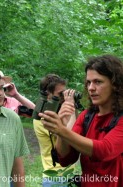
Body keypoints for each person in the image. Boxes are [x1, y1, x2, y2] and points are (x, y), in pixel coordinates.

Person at [39, 54, 123, 187]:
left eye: (98, 82)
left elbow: (105, 150)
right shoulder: (86, 116)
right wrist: (61, 129)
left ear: (115, 84)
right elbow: (66, 158)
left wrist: (62, 130)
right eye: (88, 82)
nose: (91, 88)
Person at [32, 74, 76, 187]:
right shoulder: (42, 118)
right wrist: (71, 105)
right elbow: (71, 136)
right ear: (48, 95)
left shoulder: (58, 113)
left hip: (69, 174)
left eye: (64, 92)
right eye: (60, 94)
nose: (63, 97)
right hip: (55, 177)